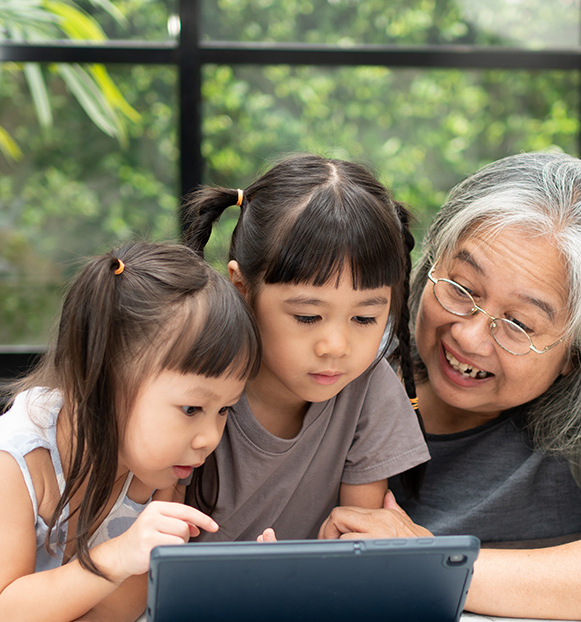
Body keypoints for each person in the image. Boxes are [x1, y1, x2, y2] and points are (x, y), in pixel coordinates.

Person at [319, 150, 581, 620]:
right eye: (461, 288)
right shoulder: (340, 355)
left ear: (578, 352)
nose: (468, 335)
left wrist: (432, 566)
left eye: (519, 323)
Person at [0, 242, 260, 622]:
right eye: (191, 408)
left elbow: (140, 575)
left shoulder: (159, 466)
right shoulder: (14, 463)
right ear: (102, 381)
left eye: (224, 409)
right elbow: (0, 617)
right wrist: (119, 553)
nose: (210, 437)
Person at [181, 154, 430, 540]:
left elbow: (354, 551)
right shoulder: (186, 383)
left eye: (364, 319)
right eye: (308, 317)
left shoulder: (369, 389)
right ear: (242, 289)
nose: (336, 346)